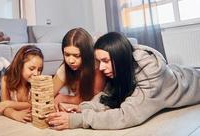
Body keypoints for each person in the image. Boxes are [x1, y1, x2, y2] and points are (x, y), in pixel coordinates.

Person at [47, 32, 200, 130]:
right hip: (177, 70)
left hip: (193, 81)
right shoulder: (120, 66)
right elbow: (109, 96)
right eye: (99, 61)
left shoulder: (150, 74)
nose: (101, 67)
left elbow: (126, 116)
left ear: (118, 57)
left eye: (105, 61)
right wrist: (81, 108)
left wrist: (77, 120)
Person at [53, 28, 106, 109]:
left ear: (87, 54)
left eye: (77, 56)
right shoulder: (65, 68)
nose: (70, 61)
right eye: (67, 55)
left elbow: (91, 100)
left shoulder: (97, 65)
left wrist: (63, 98)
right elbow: (48, 93)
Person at [0, 45, 44, 123]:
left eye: (39, 69)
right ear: (20, 66)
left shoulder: (36, 83)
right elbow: (3, 105)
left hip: (15, 75)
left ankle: (7, 65)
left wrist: (8, 103)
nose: (36, 73)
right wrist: (14, 114)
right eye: (31, 68)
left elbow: (34, 104)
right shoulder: (5, 80)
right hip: (3, 84)